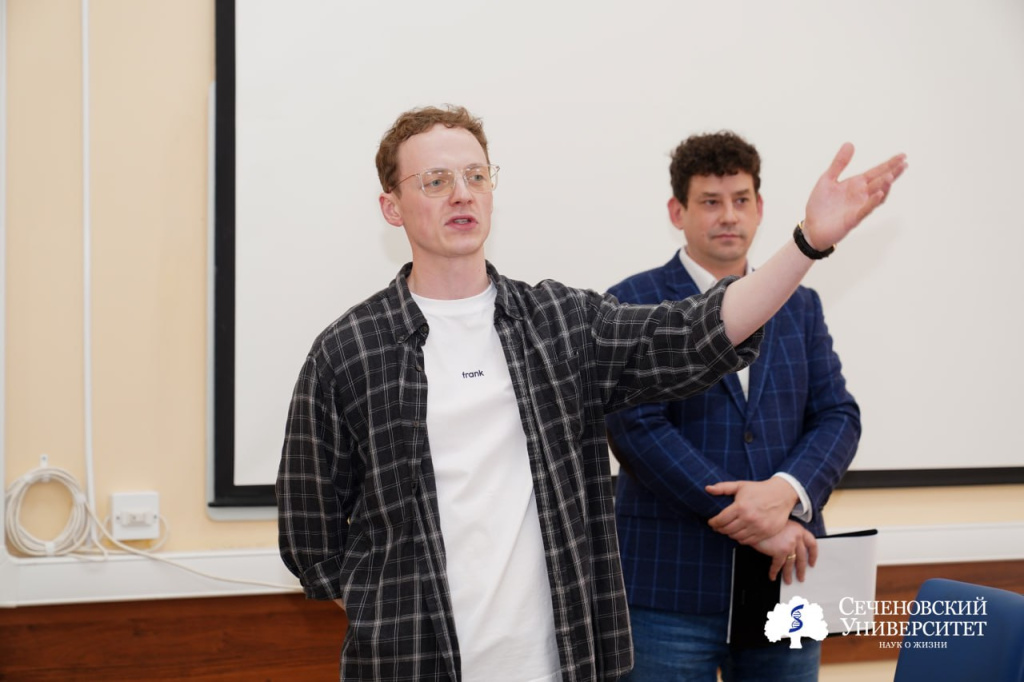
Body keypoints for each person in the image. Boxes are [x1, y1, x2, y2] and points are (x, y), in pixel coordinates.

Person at [276, 105, 905, 682]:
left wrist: (806, 242)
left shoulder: (559, 323)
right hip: (411, 665)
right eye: (435, 181)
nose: (462, 193)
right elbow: (310, 536)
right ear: (392, 207)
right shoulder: (348, 352)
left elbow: (696, 333)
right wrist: (386, 612)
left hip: (559, 664)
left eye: (475, 175)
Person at [605, 130, 861, 682]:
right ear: (677, 212)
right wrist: (755, 520)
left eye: (741, 200)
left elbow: (837, 415)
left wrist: (786, 491)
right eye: (710, 202)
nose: (728, 216)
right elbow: (635, 426)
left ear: (760, 208)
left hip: (786, 580)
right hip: (668, 591)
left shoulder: (801, 305)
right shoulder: (631, 302)